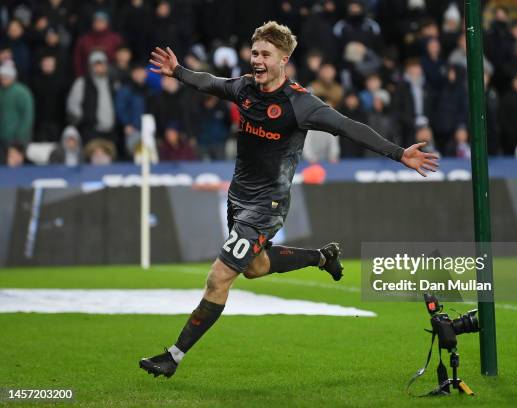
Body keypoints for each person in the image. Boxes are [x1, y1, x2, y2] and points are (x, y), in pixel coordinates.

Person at [140, 21, 438, 378]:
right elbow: (212, 83)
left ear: (284, 59)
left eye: (265, 54)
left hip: (268, 205)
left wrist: (397, 152)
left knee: (219, 278)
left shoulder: (301, 103)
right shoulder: (245, 88)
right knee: (254, 268)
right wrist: (178, 72)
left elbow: (347, 126)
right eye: (254, 53)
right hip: (238, 198)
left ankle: (174, 356)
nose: (257, 60)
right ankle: (321, 256)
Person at [0, 61, 34, 150]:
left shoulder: (22, 92)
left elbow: (27, 115)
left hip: (17, 138)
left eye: (5, 77)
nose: (3, 79)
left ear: (12, 77)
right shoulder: (1, 92)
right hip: (2, 136)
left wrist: (20, 134)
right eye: (1, 77)